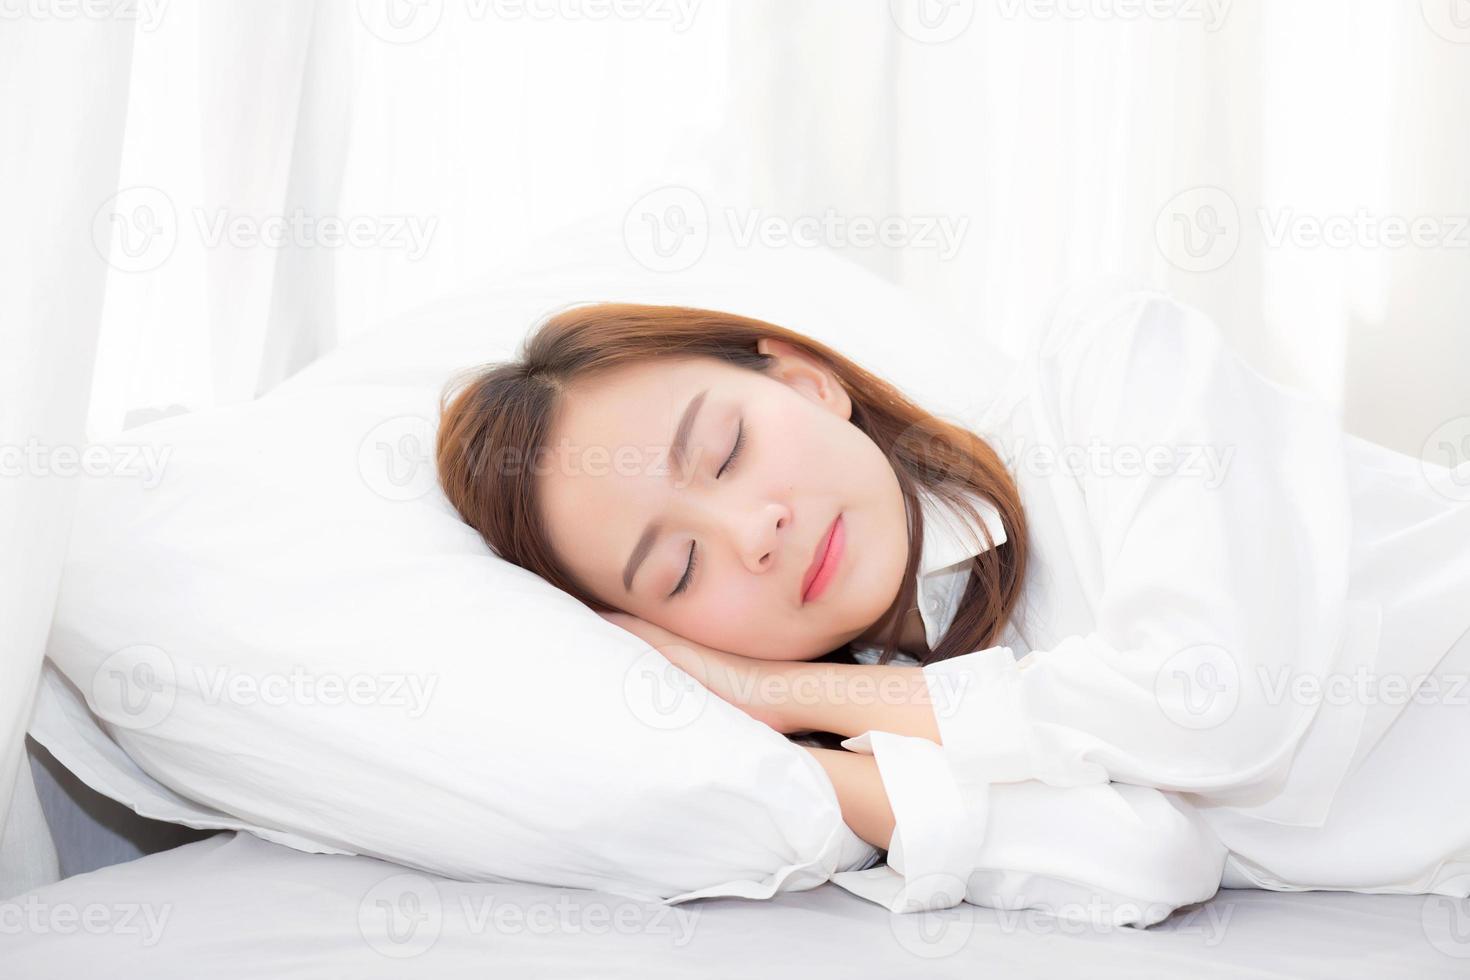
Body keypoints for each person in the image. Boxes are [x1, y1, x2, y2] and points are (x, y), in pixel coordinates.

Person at [434, 290, 1470, 924]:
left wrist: (775, 685)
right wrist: (783, 745)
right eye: (678, 573)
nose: (753, 529)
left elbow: (1213, 702)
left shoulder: (1109, 374)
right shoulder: (890, 711)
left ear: (804, 380)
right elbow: (1152, 855)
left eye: (727, 450)